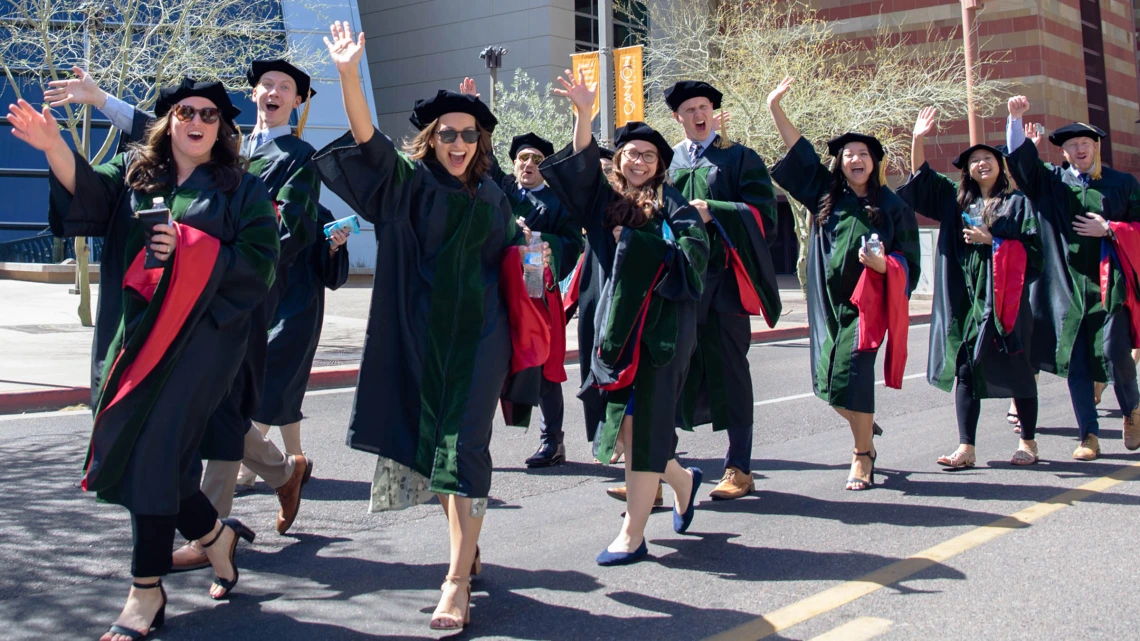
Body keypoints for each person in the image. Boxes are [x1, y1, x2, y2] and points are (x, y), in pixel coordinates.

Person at [10, 77, 278, 639]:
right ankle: (216, 537)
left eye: (210, 114)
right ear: (169, 120)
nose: (197, 121)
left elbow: (259, 265)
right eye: (186, 111)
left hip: (201, 344)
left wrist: (190, 246)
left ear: (223, 127)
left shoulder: (241, 190)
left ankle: (146, 590)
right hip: (130, 339)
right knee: (154, 458)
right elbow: (84, 194)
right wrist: (54, 146)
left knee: (152, 451)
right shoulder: (137, 178)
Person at [46, 60, 332, 567]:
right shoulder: (224, 142)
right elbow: (157, 133)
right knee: (206, 412)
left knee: (217, 408)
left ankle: (208, 529)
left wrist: (211, 251)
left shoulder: (294, 157)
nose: (274, 91)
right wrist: (96, 102)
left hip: (235, 301)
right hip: (160, 314)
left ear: (297, 102)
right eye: (267, 83)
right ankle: (266, 487)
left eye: (285, 87)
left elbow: (284, 233)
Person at [312, 22, 549, 631]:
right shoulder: (410, 184)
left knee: (465, 450)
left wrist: (530, 255)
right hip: (421, 338)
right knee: (440, 455)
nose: (459, 143)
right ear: (431, 138)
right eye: (448, 134)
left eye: (470, 134)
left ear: (482, 141)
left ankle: (455, 580)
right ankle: (466, 546)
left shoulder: (494, 195)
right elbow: (366, 141)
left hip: (481, 341)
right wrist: (347, 76)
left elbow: (508, 258)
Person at [542, 69, 709, 565]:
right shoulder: (605, 203)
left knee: (645, 423)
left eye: (648, 155)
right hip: (614, 328)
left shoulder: (674, 206)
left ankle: (633, 535)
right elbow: (578, 171)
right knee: (632, 427)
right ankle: (680, 479)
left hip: (658, 332)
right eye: (630, 153)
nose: (638, 160)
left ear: (660, 165)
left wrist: (637, 248)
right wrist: (584, 114)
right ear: (619, 159)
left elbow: (693, 264)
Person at [766, 76, 921, 490]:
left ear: (875, 162)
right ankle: (866, 429)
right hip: (827, 305)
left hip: (865, 307)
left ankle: (862, 453)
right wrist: (774, 107)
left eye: (863, 154)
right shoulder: (825, 195)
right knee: (828, 385)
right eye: (848, 154)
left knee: (851, 376)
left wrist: (885, 265)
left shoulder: (892, 207)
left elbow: (911, 259)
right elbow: (799, 153)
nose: (854, 159)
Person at [899, 106, 1043, 467]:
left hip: (1006, 303)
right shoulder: (955, 201)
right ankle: (966, 448)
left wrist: (993, 240)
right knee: (965, 367)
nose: (981, 164)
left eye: (988, 158)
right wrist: (918, 138)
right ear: (967, 170)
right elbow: (922, 177)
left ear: (1000, 165)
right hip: (967, 301)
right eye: (974, 160)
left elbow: (1035, 253)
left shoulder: (1017, 204)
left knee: (1018, 369)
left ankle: (1028, 443)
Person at [664, 80, 782, 500]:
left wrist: (715, 211)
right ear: (677, 118)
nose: (698, 115)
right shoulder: (668, 161)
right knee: (670, 370)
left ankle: (739, 468)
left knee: (731, 370)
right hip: (681, 282)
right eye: (689, 110)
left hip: (726, 283)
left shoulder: (740, 159)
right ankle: (660, 468)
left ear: (714, 112)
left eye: (704, 107)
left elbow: (764, 217)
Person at [1005, 95, 1140, 460]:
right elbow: (1023, 166)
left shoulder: (1122, 183)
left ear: (1096, 147)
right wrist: (1015, 121)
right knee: (1077, 362)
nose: (1079, 149)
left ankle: (1132, 410)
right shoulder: (1053, 184)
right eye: (1071, 145)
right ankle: (1089, 435)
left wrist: (1110, 228)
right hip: (1068, 287)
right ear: (1063, 153)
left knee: (1114, 352)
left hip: (1110, 287)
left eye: (1085, 143)